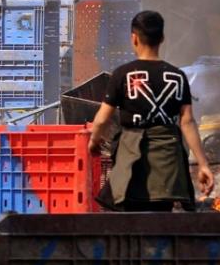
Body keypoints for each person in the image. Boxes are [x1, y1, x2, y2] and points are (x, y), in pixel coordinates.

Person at [90, 11, 214, 212]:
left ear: (134, 38)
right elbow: (187, 122)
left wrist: (94, 142)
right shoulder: (177, 76)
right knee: (160, 220)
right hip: (168, 164)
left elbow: (101, 120)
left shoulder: (123, 74)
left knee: (129, 219)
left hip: (132, 162)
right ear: (162, 38)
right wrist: (203, 164)